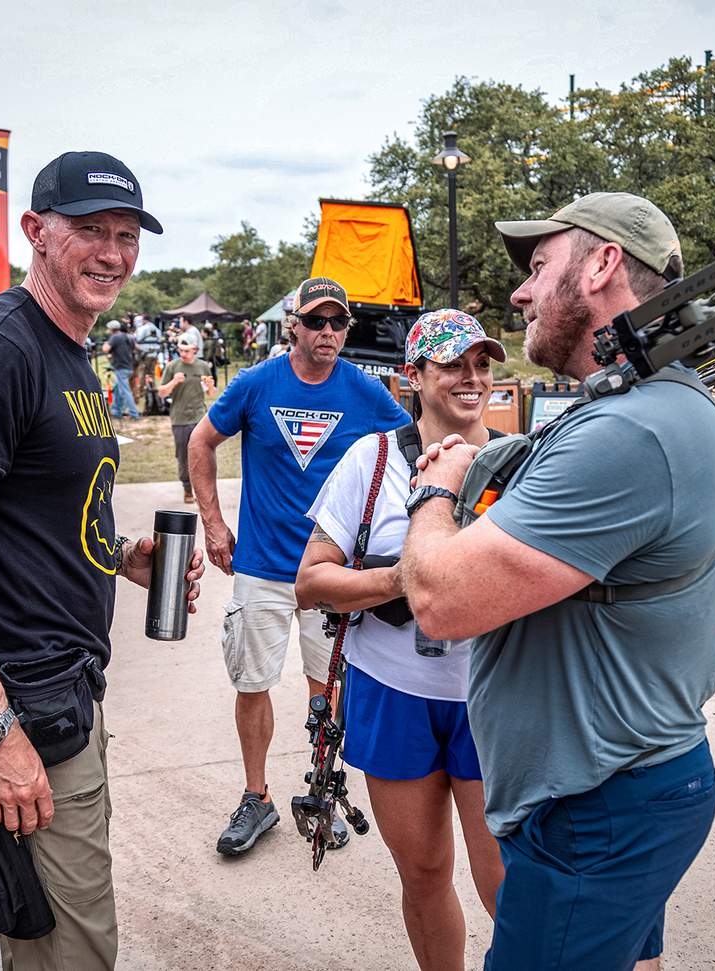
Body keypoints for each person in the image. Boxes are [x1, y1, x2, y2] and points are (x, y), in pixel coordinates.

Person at [400, 193, 715, 970]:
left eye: (541, 265)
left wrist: (438, 489)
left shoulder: (629, 431)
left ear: (604, 265)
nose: (520, 291)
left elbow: (440, 599)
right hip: (617, 790)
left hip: (598, 808)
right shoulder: (650, 406)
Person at [0, 150, 203, 970]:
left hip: (63, 695)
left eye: (127, 234)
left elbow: (43, 513)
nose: (112, 253)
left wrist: (122, 555)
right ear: (34, 230)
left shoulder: (72, 355)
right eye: (91, 230)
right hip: (23, 705)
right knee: (73, 950)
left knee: (56, 941)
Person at [296, 309, 506, 970]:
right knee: (423, 872)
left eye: (481, 364)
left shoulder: (519, 459)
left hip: (494, 696)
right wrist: (405, 578)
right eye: (451, 365)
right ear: (412, 376)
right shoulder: (374, 458)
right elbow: (311, 580)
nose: (470, 378)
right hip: (392, 692)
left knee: (508, 881)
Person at [189, 276, 409, 857]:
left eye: (338, 323)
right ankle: (255, 796)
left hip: (329, 570)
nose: (329, 333)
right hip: (261, 564)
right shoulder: (259, 383)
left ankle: (321, 792)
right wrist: (213, 524)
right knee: (252, 681)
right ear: (295, 325)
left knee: (325, 688)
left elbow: (405, 449)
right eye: (317, 322)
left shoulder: (362, 390)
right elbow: (200, 442)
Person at [157, 332, 214, 503]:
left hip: (199, 417)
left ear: (195, 350)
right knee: (183, 455)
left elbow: (210, 393)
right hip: (180, 418)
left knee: (202, 455)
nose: (183, 354)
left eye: (187, 351)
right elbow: (161, 393)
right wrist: (173, 382)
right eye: (180, 350)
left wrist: (211, 386)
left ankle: (202, 491)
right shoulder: (172, 366)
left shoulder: (203, 366)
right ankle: (187, 489)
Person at [103, 319, 141, 421]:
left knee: (125, 391)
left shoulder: (115, 337)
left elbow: (105, 349)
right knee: (117, 389)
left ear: (111, 329)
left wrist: (107, 343)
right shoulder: (128, 336)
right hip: (129, 366)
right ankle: (116, 411)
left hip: (121, 367)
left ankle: (134, 414)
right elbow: (136, 347)